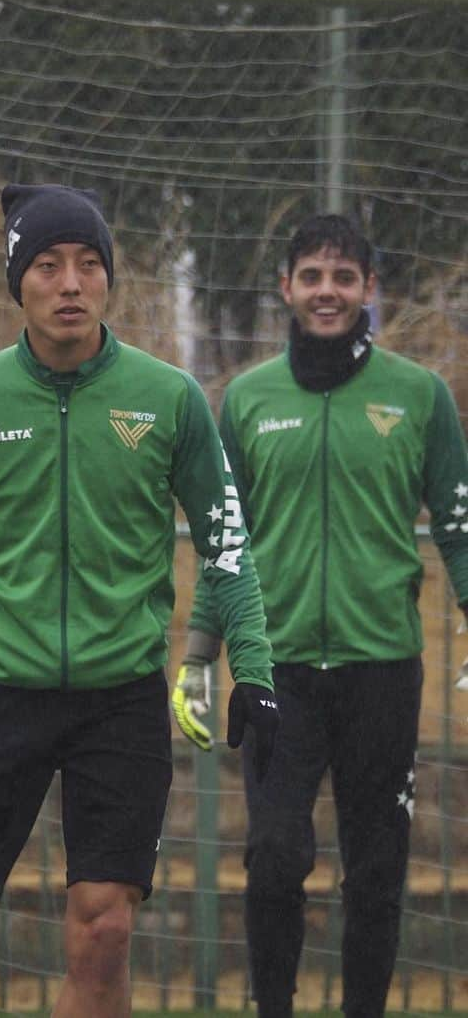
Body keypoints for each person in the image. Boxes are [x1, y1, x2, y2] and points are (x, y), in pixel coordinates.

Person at [0, 183, 279, 1017]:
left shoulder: (170, 399)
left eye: (89, 264)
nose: (71, 283)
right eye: (48, 265)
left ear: (109, 280)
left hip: (119, 702)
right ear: (19, 282)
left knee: (104, 928)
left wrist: (254, 669)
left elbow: (227, 541)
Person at [176, 214, 468, 1017]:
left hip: (382, 671)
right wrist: (200, 655)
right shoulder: (247, 399)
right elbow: (224, 541)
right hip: (278, 673)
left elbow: (459, 528)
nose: (328, 292)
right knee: (273, 855)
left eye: (344, 278)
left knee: (376, 872)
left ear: (370, 289)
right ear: (287, 288)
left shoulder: (420, 397)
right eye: (312, 277)